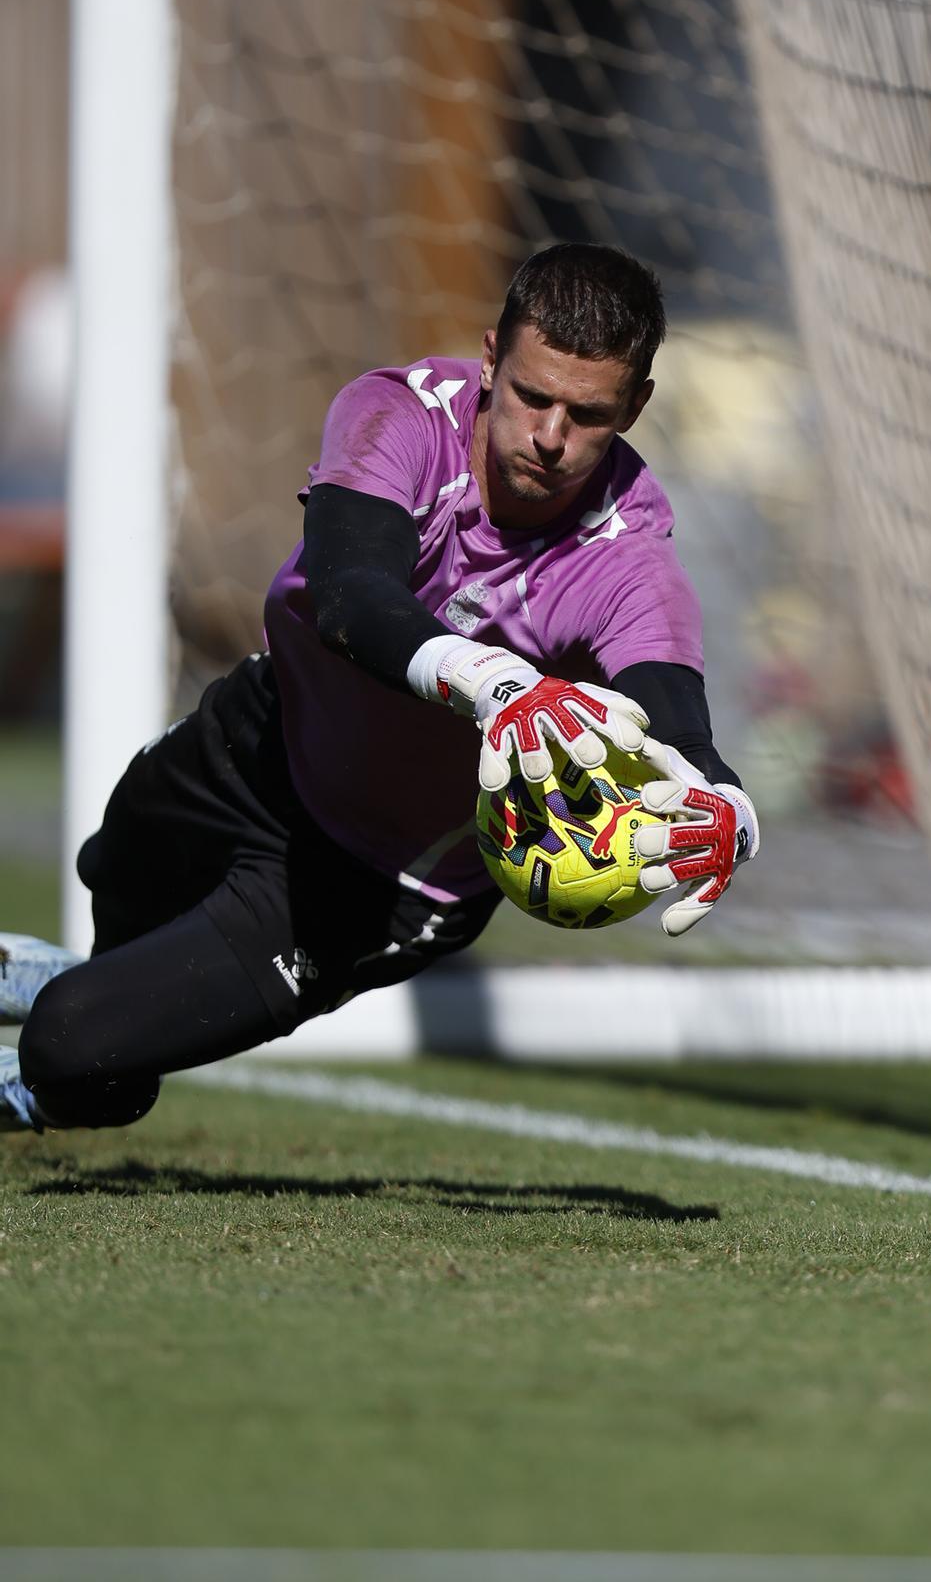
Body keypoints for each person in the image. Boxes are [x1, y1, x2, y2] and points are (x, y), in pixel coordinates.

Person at [0, 244, 758, 1134]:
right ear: (488, 361)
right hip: (267, 734)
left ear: (636, 406)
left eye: (588, 415)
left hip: (377, 878)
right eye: (532, 397)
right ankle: (100, 1021)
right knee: (111, 869)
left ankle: (81, 1053)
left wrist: (726, 812)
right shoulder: (400, 413)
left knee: (65, 1044)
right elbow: (351, 595)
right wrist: (498, 684)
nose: (550, 437)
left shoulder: (630, 561)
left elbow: (680, 727)